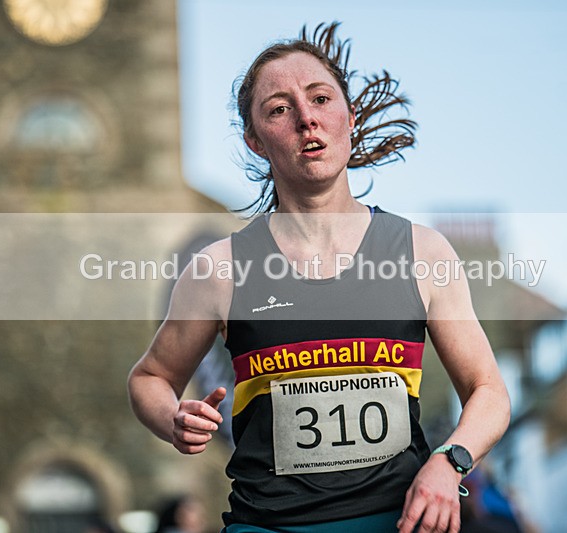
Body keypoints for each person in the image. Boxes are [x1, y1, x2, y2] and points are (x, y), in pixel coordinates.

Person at [128, 22, 510, 533]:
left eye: (321, 98)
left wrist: (450, 462)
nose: (307, 118)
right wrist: (172, 419)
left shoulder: (422, 251)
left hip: (397, 521)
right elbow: (150, 378)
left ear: (349, 118)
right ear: (256, 141)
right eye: (279, 109)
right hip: (267, 524)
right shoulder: (219, 268)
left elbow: (488, 390)